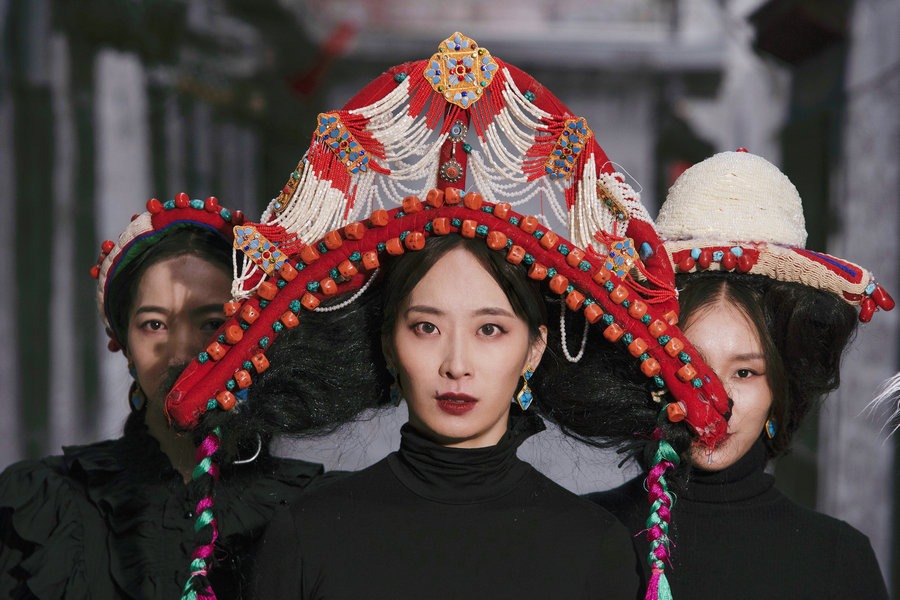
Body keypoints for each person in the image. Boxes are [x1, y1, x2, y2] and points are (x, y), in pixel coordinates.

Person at [166, 33, 733, 599]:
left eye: (490, 330)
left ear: (534, 349)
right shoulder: (306, 535)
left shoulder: (595, 549)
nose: (456, 364)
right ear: (388, 343)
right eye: (426, 327)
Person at [586, 150, 893, 598]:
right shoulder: (581, 538)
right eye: (691, 365)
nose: (717, 400)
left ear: (782, 386)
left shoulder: (838, 560)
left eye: (746, 372)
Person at [0, 195, 334, 599]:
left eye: (212, 323)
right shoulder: (44, 505)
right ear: (125, 346)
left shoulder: (316, 508)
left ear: (254, 338)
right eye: (154, 324)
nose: (181, 353)